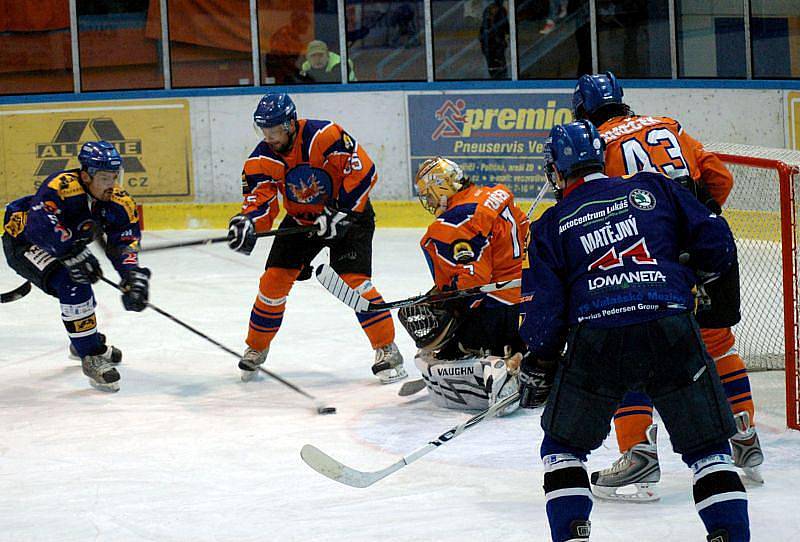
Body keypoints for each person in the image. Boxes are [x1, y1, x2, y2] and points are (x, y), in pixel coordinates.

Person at [518, 120, 750, 542]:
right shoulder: (652, 187)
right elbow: (717, 241)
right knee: (710, 453)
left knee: (562, 450)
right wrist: (693, 272)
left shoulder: (552, 223)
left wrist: (539, 361)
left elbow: (545, 313)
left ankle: (571, 535)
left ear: (556, 169)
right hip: (670, 326)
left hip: (599, 340)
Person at [572, 71, 764, 499]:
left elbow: (593, 205)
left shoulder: (596, 144)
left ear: (584, 110)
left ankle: (639, 452)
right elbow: (720, 179)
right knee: (718, 343)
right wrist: (696, 217)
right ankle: (744, 435)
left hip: (650, 257)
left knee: (628, 343)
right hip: (708, 246)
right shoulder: (667, 124)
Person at [227, 93, 404, 383]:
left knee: (354, 283)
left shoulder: (326, 135)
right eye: (264, 131)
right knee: (272, 281)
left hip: (349, 216)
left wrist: (342, 211)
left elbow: (363, 171)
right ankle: (256, 348)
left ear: (290, 124)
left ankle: (387, 349)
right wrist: (247, 221)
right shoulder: (260, 160)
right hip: (301, 223)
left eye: (275, 130)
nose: (269, 137)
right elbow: (261, 201)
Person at [2, 141, 150, 392]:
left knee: (79, 284)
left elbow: (123, 242)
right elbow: (39, 226)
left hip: (62, 244)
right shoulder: (61, 186)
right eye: (104, 178)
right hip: (24, 243)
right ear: (85, 175)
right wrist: (72, 252)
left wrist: (131, 274)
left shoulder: (118, 201)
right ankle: (90, 353)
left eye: (115, 176)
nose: (112, 184)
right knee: (73, 283)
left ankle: (82, 340)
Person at [397, 157, 529, 413]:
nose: (430, 201)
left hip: (502, 311)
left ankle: (499, 363)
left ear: (441, 187)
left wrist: (446, 302)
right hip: (532, 298)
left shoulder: (451, 223)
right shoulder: (496, 194)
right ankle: (522, 350)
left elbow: (471, 285)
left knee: (441, 337)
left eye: (429, 194)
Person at [479, 0, 509, 79]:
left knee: (498, 62)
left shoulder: (501, 11)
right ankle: (496, 76)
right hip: (491, 44)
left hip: (496, 44)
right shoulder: (490, 11)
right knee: (494, 63)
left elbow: (505, 26)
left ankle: (500, 75)